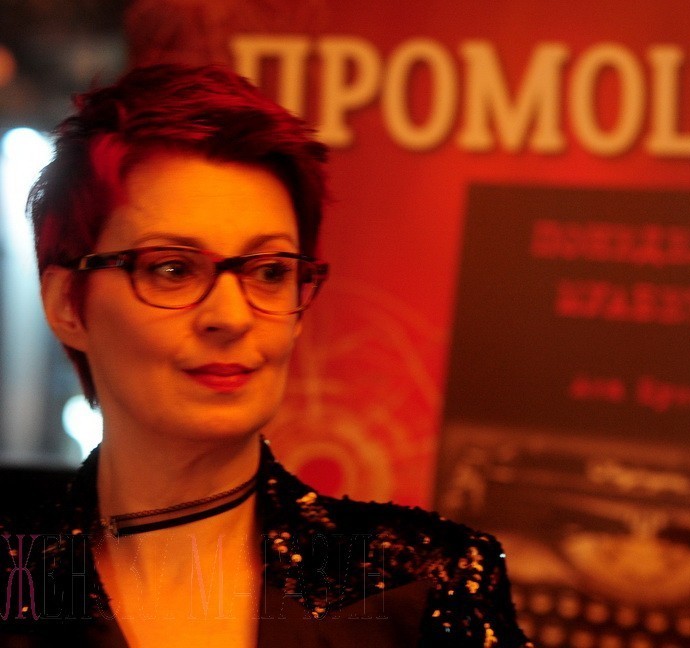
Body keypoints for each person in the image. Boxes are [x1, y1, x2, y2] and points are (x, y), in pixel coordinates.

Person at [1, 64, 530, 647]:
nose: (232, 316)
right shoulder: (17, 580)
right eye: (172, 269)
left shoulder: (424, 585)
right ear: (67, 304)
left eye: (270, 272)